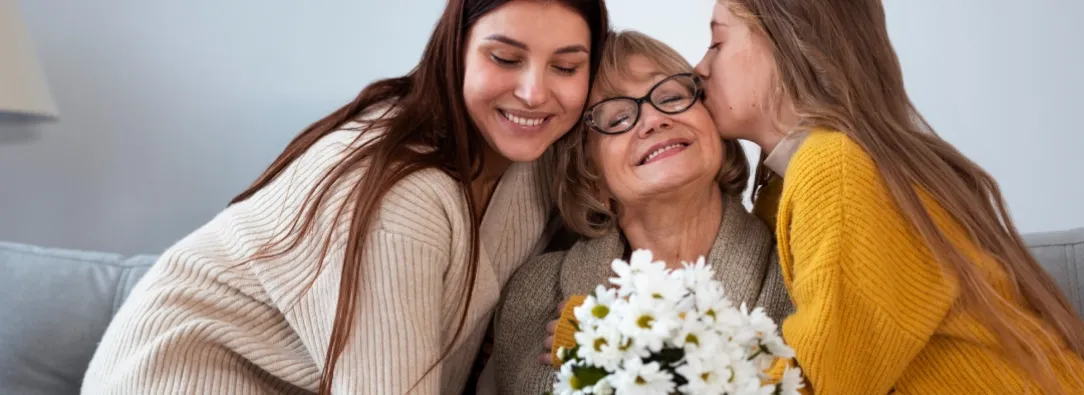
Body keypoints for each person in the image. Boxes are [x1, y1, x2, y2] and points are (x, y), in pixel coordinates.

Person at [80, 1, 609, 394]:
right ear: (456, 53)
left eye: (565, 67)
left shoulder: (537, 162)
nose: (535, 93)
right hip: (186, 375)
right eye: (505, 58)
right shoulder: (404, 199)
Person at [694, 0, 1084, 393]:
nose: (700, 69)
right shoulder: (791, 181)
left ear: (784, 43)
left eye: (717, 42)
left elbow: (823, 380)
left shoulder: (834, 166)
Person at [482, 30, 793, 395]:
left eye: (672, 97)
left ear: (713, 125)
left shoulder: (798, 271)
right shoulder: (532, 292)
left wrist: (628, 347)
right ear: (590, 176)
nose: (653, 120)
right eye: (615, 119)